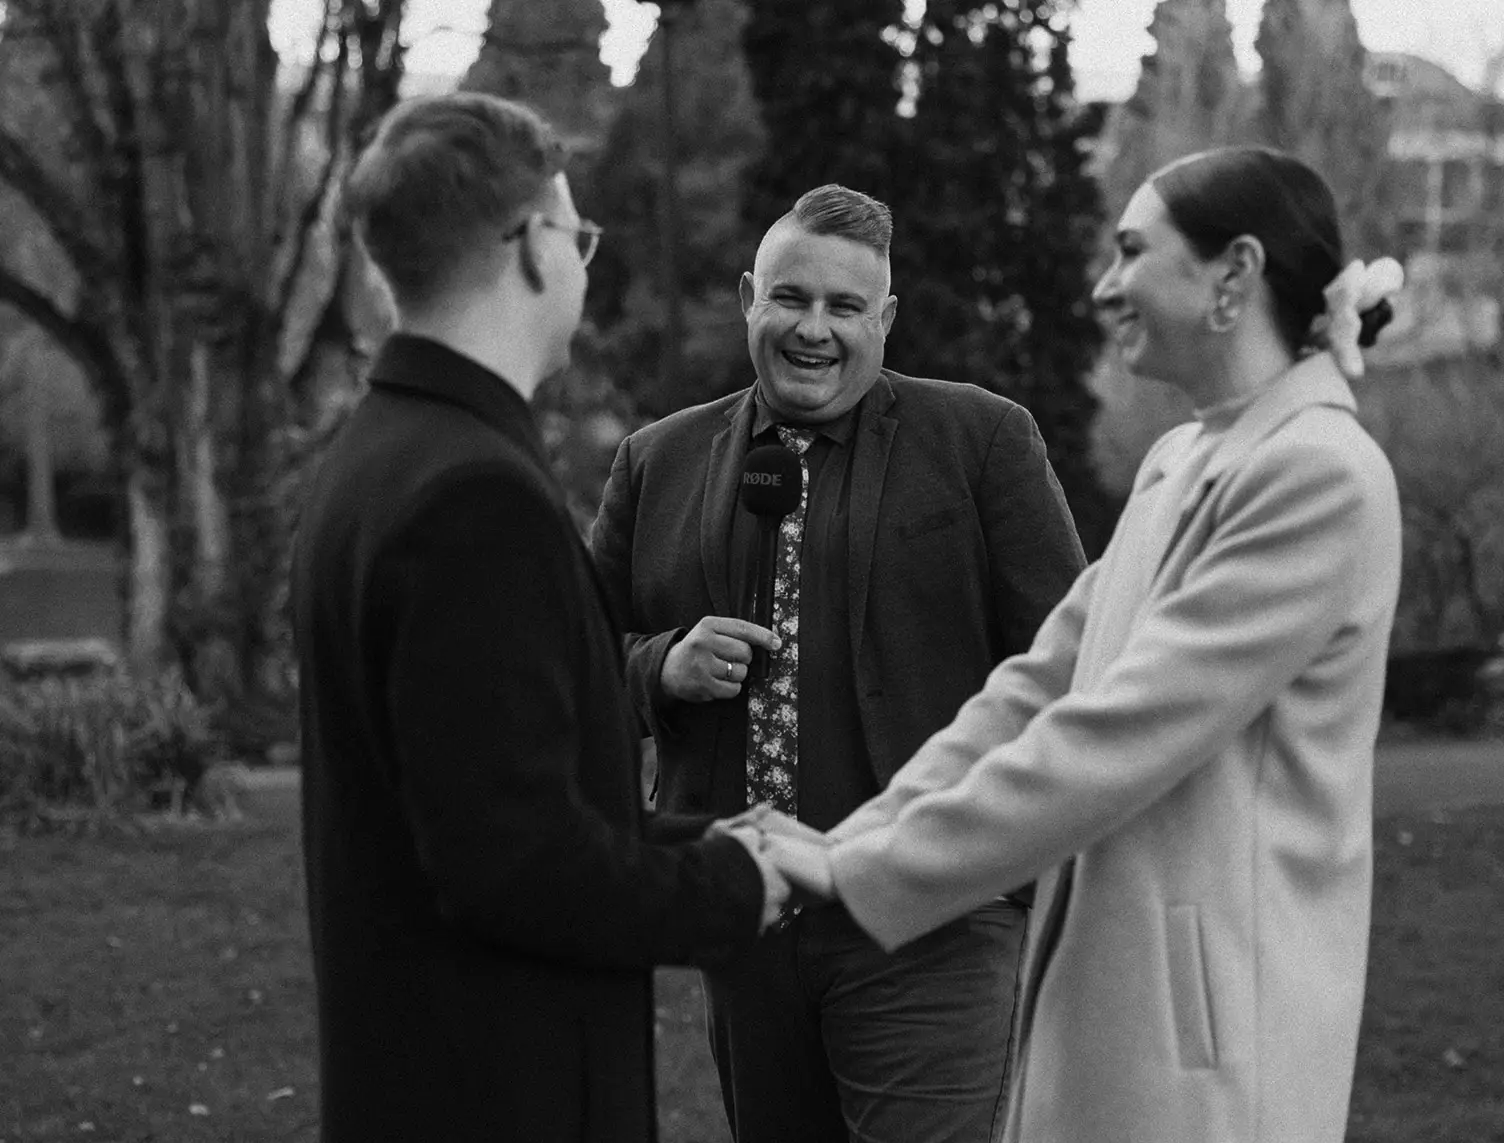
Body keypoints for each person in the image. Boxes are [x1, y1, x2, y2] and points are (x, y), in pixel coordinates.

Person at [763, 147, 1406, 1143]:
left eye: (1131, 250)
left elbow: (1116, 735)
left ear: (1233, 274)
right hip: (1111, 1000)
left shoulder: (1319, 475)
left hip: (1213, 1037)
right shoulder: (1179, 458)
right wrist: (851, 843)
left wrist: (870, 878)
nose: (1107, 285)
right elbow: (1036, 688)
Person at [290, 92, 786, 1143]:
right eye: (578, 232)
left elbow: (480, 799)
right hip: (495, 1089)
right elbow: (514, 868)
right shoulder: (474, 497)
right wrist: (736, 888)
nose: (583, 259)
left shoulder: (378, 455)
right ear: (526, 248)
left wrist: (706, 838)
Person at [589, 184, 1086, 1142]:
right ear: (748, 298)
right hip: (746, 916)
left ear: (886, 319)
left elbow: (1071, 664)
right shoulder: (659, 462)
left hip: (934, 918)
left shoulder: (981, 441)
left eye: (844, 307)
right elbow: (560, 677)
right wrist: (658, 666)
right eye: (790, 298)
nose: (813, 329)